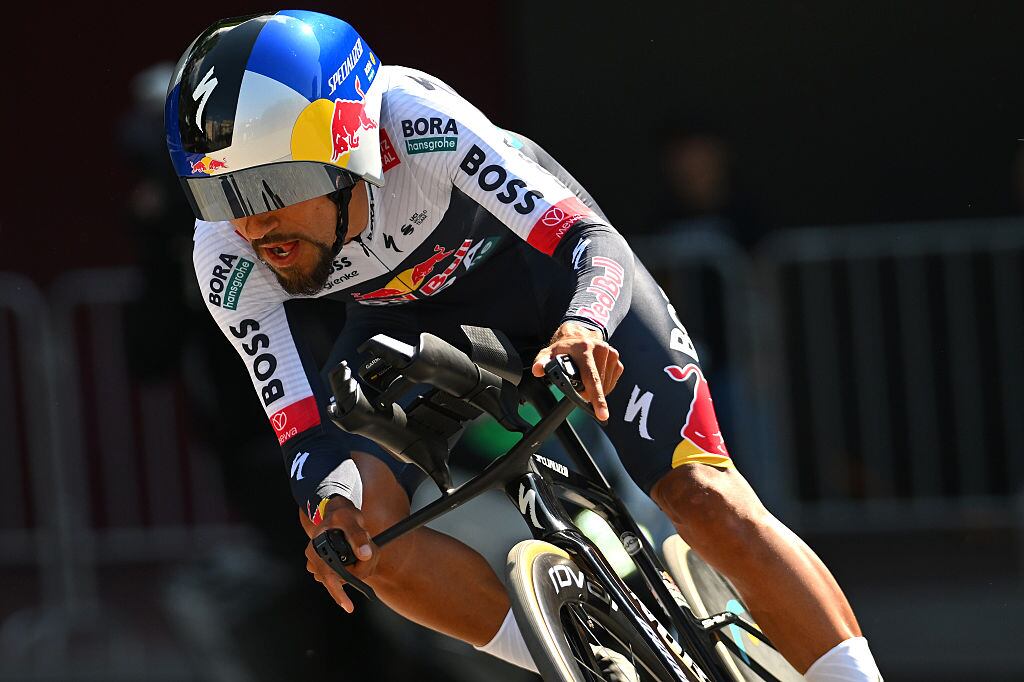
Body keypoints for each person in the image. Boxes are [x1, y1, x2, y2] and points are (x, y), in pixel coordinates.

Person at [165, 11, 881, 681]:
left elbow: (586, 242)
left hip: (550, 280)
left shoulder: (417, 124)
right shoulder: (224, 256)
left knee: (700, 496)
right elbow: (299, 432)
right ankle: (583, 660)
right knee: (362, 543)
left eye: (274, 185)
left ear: (349, 148)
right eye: (221, 194)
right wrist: (331, 508)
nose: (254, 227)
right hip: (413, 323)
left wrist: (586, 325)